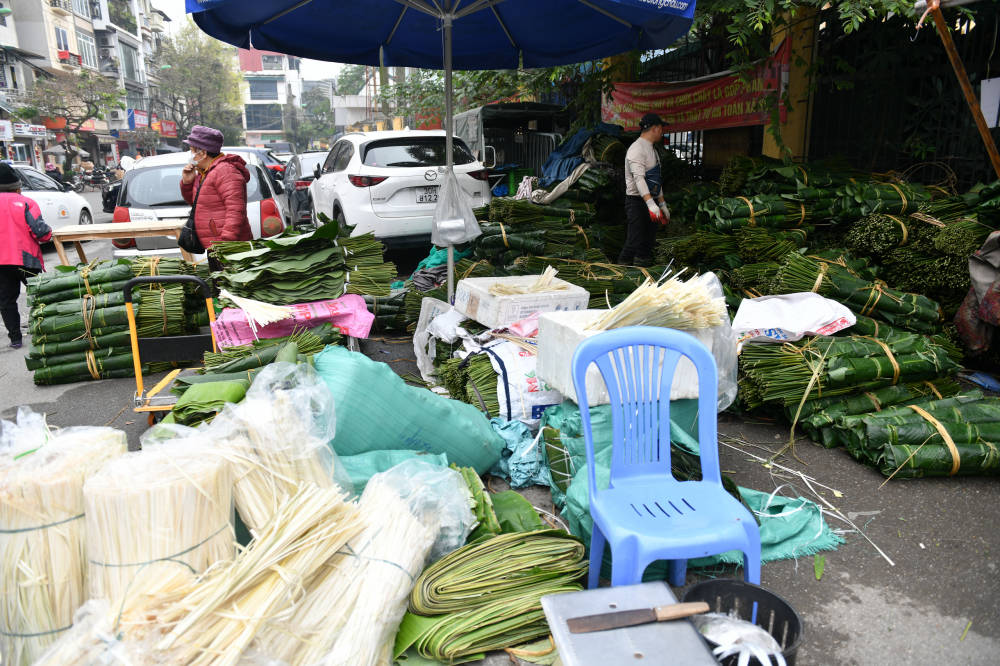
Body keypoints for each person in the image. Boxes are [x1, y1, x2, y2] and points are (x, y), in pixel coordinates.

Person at [179, 125, 252, 274]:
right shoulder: (204, 173)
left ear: (203, 153)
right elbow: (198, 205)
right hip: (215, 246)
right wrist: (188, 183)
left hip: (229, 248)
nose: (190, 154)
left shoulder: (225, 171)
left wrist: (225, 244)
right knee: (219, 290)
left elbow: (235, 210)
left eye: (193, 150)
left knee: (230, 292)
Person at [0, 163, 52, 349]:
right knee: (40, 297)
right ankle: (46, 331)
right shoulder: (26, 203)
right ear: (17, 185)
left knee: (6, 300)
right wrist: (49, 232)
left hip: (1, 263)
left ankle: (15, 339)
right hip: (26, 260)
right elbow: (41, 233)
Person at [620, 112, 671, 267]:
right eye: (662, 127)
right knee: (633, 242)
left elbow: (656, 180)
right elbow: (639, 179)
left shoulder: (653, 151)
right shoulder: (636, 149)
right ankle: (620, 273)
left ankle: (641, 275)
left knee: (647, 243)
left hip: (652, 201)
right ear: (654, 128)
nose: (663, 131)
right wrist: (650, 204)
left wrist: (662, 204)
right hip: (636, 202)